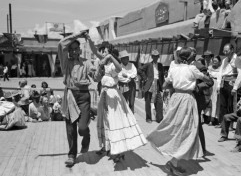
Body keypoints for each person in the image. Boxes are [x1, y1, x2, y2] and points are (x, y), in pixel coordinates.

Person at [147, 47, 212, 176]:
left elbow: (164, 86)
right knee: (187, 130)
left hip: (175, 98)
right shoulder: (192, 69)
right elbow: (208, 80)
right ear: (189, 58)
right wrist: (197, 84)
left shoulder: (173, 69)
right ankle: (173, 162)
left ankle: (172, 159)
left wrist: (178, 85)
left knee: (174, 127)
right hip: (187, 99)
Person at [86, 34, 147, 163]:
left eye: (106, 52)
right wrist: (89, 39)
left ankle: (118, 150)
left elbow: (119, 68)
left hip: (113, 95)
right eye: (103, 52)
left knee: (114, 122)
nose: (103, 54)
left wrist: (109, 57)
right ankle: (106, 147)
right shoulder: (103, 64)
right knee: (104, 121)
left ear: (111, 54)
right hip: (104, 94)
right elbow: (94, 50)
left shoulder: (114, 65)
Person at [58, 32, 98, 166]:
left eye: (76, 49)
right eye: (71, 49)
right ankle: (72, 155)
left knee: (81, 127)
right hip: (70, 95)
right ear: (68, 51)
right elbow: (60, 44)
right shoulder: (65, 63)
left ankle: (86, 136)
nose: (74, 51)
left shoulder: (86, 63)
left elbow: (95, 76)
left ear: (80, 50)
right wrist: (78, 35)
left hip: (83, 96)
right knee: (70, 128)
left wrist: (99, 69)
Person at [188, 47, 214, 154]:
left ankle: (202, 148)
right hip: (187, 98)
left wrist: (196, 86)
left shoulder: (199, 66)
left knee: (197, 123)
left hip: (197, 99)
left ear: (193, 55)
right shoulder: (184, 66)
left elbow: (209, 82)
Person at [217, 43, 241, 125]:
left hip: (231, 83)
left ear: (232, 50)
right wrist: (218, 85)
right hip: (223, 82)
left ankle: (231, 124)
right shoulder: (224, 60)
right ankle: (223, 123)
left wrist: (235, 87)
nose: (225, 52)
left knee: (231, 104)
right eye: (224, 51)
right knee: (223, 104)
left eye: (227, 50)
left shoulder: (237, 59)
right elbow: (220, 72)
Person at [138, 49, 164, 123]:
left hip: (158, 84)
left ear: (158, 57)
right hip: (149, 84)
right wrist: (145, 78)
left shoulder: (160, 65)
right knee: (148, 102)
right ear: (152, 57)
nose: (155, 57)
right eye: (154, 56)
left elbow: (161, 76)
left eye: (156, 56)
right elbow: (140, 70)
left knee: (159, 101)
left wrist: (163, 85)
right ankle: (148, 118)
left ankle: (159, 118)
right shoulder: (148, 64)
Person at [204, 55, 222, 126]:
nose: (214, 62)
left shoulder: (221, 69)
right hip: (209, 84)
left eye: (216, 61)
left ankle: (213, 118)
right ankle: (208, 116)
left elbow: (220, 78)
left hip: (216, 84)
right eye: (213, 61)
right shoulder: (209, 68)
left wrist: (218, 86)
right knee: (208, 100)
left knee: (215, 101)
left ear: (219, 62)